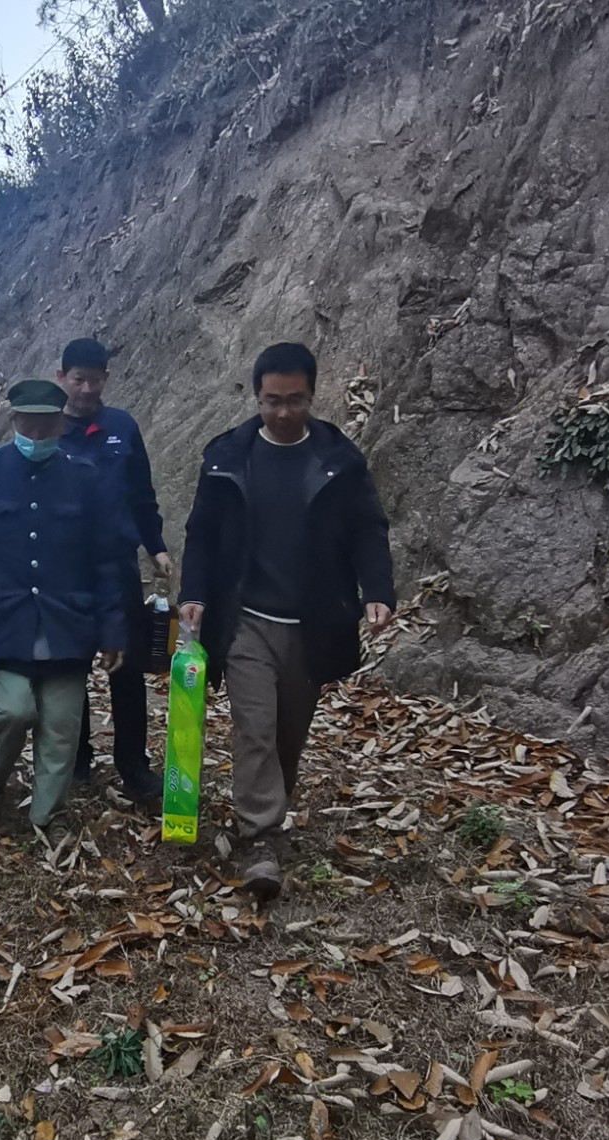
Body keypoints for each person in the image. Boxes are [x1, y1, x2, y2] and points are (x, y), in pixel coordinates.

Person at [178, 342, 396, 900]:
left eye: (294, 400)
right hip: (245, 619)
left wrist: (377, 591)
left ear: (313, 396)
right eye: (271, 400)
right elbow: (202, 533)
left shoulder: (338, 460)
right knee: (254, 727)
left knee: (287, 734)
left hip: (312, 621)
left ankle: (270, 812)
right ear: (256, 397)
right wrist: (194, 593)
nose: (282, 412)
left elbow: (367, 529)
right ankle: (261, 838)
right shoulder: (228, 456)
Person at [0, 380, 126, 845]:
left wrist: (112, 628)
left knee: (62, 727)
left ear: (61, 423)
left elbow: (105, 559)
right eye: (28, 422)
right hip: (7, 622)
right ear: (14, 420)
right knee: (14, 711)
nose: (36, 432)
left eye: (46, 423)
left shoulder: (84, 475)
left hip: (68, 622)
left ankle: (49, 816)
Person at [56, 337, 171, 810]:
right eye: (78, 379)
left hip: (118, 565)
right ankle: (77, 761)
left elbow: (142, 492)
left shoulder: (122, 427)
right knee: (72, 666)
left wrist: (156, 546)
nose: (87, 389)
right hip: (66, 570)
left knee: (127, 667)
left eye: (95, 379)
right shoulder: (49, 429)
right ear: (62, 378)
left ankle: (134, 766)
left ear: (106, 378)